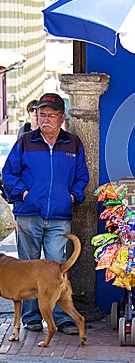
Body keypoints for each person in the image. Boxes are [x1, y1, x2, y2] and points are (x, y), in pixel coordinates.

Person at [2, 93, 89, 335]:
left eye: (52, 115)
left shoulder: (73, 143)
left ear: (62, 117)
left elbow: (82, 177)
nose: (46, 119)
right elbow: (9, 174)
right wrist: (24, 194)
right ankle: (31, 318)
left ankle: (61, 318)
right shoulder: (25, 141)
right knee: (25, 268)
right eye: (42, 115)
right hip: (29, 213)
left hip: (60, 216)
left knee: (57, 268)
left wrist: (73, 196)